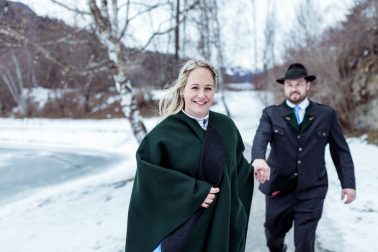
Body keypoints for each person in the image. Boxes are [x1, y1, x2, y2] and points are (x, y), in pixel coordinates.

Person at [125, 59, 254, 252]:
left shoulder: (226, 127)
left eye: (208, 88)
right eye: (195, 87)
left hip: (221, 228)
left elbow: (237, 170)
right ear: (182, 90)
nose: (202, 95)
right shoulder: (164, 134)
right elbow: (150, 182)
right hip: (182, 236)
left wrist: (255, 169)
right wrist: (193, 193)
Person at [251, 63, 356, 252]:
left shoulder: (326, 114)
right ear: (284, 87)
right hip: (279, 187)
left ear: (307, 85)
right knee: (273, 235)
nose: (294, 89)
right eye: (289, 85)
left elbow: (340, 151)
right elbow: (261, 137)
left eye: (298, 84)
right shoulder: (271, 114)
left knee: (305, 243)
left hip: (312, 189)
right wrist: (258, 158)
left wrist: (348, 183)